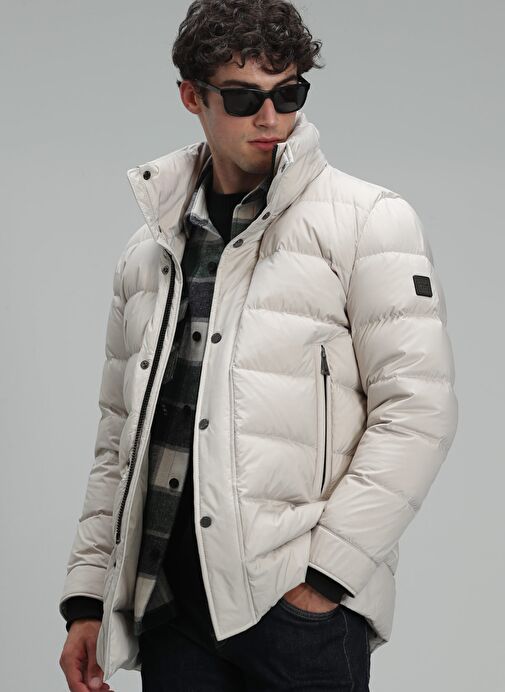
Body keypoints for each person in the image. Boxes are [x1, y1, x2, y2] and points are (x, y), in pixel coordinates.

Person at [58, 1, 459, 690]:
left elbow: (418, 412)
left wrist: (324, 579)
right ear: (192, 97)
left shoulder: (370, 223)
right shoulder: (148, 254)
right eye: (244, 98)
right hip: (172, 610)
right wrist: (89, 599)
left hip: (295, 610)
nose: (271, 118)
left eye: (289, 94)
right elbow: (117, 437)